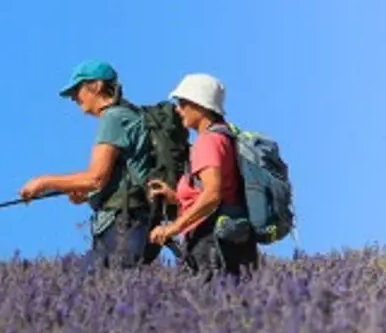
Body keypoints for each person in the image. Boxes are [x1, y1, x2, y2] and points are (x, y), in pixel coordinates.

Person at [19, 59, 162, 269]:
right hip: (133, 221)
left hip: (122, 224)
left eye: (77, 90)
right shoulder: (129, 114)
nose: (74, 98)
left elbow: (96, 178)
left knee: (110, 288)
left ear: (96, 86)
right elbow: (121, 174)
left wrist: (44, 182)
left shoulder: (113, 119)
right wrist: (85, 193)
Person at [147, 72, 259, 278]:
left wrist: (173, 228)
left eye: (182, 103)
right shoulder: (226, 136)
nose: (178, 110)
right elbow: (219, 189)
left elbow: (212, 194)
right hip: (233, 236)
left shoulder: (208, 141)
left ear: (200, 105)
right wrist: (176, 196)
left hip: (211, 240)